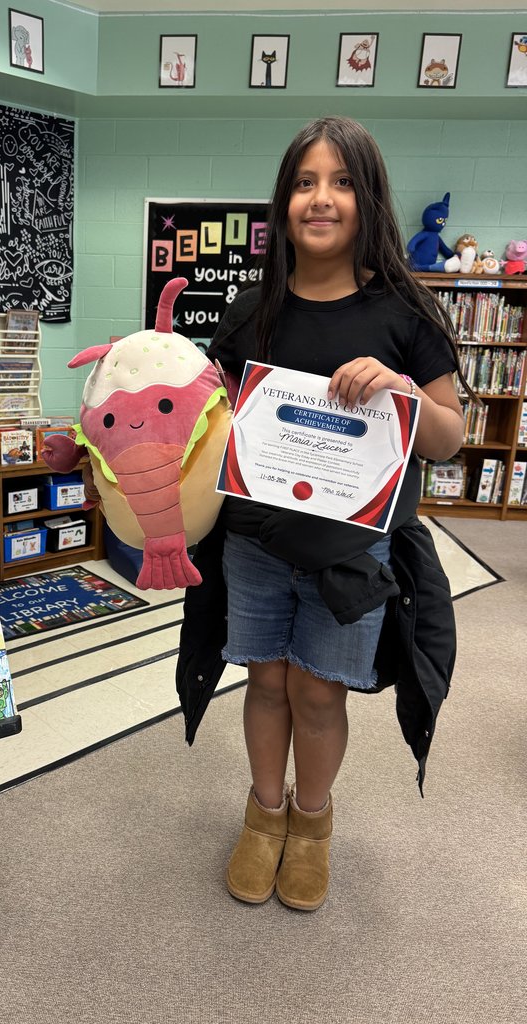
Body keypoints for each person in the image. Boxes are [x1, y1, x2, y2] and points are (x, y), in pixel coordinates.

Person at [197, 116, 472, 912]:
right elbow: (213, 415)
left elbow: (450, 439)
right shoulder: (252, 310)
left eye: (342, 182)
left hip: (351, 552)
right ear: (283, 202)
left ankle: (311, 825)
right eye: (306, 182)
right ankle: (264, 816)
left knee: (320, 691)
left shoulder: (406, 312)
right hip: (254, 542)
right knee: (267, 680)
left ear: (369, 199)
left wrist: (402, 389)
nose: (322, 199)